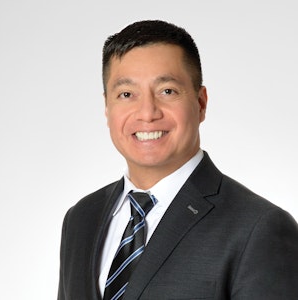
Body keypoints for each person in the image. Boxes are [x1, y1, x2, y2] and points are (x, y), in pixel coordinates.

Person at [57, 20, 298, 300]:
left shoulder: (259, 228)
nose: (147, 112)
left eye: (167, 91)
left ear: (200, 103)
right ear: (107, 107)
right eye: (126, 94)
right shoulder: (81, 218)